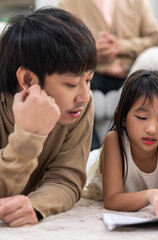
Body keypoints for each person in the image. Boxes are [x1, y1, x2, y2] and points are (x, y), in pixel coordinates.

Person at [0, 8, 96, 227]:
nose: (83, 95)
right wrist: (29, 135)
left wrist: (36, 205)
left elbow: (67, 178)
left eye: (89, 79)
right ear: (27, 79)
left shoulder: (79, 103)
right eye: (71, 84)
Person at [84, 70, 158, 217]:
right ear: (123, 117)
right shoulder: (114, 140)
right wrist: (150, 194)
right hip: (87, 168)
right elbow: (112, 200)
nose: (151, 129)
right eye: (142, 117)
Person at [59, 0, 158, 149]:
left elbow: (155, 38)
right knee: (72, 94)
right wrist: (91, 51)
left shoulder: (137, 3)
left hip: (130, 75)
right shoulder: (69, 4)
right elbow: (61, 47)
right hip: (92, 74)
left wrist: (122, 46)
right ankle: (89, 158)